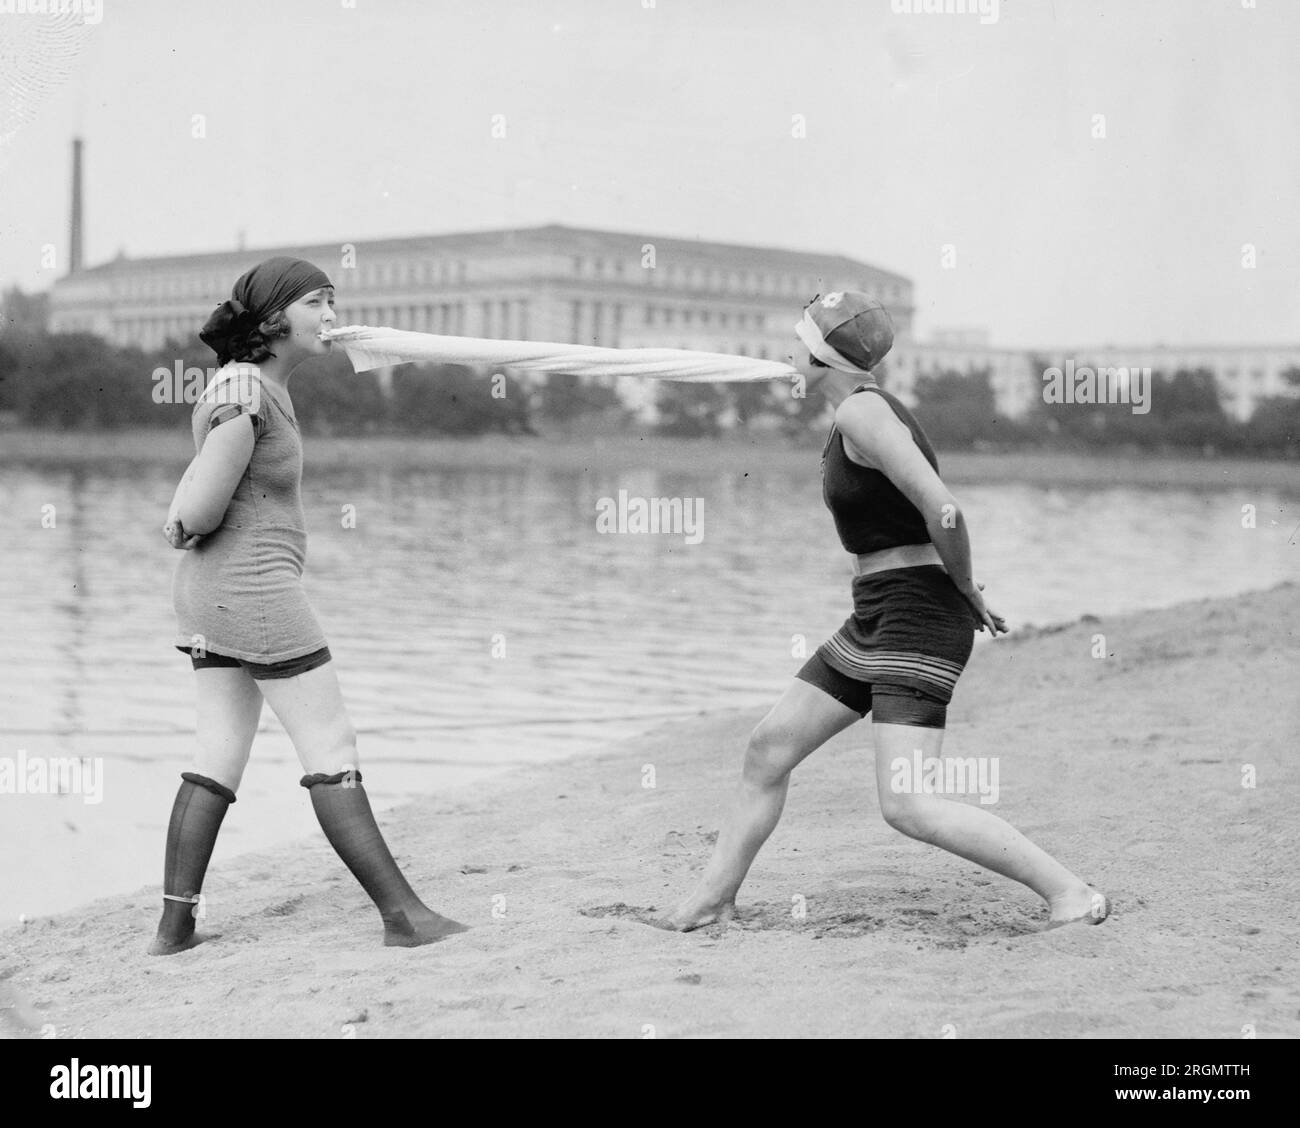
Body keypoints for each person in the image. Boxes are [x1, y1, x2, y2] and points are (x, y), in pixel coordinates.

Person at [662, 291, 1108, 933]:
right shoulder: (857, 412)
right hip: (877, 613)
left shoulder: (863, 415)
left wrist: (967, 588)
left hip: (917, 614)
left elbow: (945, 510)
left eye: (797, 340)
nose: (787, 353)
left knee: (908, 804)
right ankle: (711, 902)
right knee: (767, 751)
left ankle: (1071, 894)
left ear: (822, 353)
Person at [151, 256, 467, 954]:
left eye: (332, 301)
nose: (330, 315)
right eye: (317, 302)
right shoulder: (247, 393)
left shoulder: (249, 386)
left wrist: (183, 514)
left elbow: (199, 484)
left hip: (216, 595)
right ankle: (404, 918)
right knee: (331, 745)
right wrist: (184, 517)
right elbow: (205, 501)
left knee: (218, 752)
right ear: (273, 319)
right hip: (255, 592)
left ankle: (175, 930)